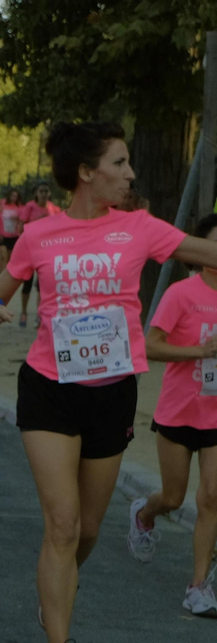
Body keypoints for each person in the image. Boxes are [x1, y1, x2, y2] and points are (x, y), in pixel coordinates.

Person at [0, 121, 217, 643]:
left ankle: (54, 590)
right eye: (119, 163)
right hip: (49, 387)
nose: (130, 173)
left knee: (85, 529)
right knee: (62, 522)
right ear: (86, 172)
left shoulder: (140, 228)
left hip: (112, 392)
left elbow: (207, 252)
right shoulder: (39, 235)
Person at [130, 212, 217, 617]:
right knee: (173, 496)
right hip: (179, 411)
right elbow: (149, 346)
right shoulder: (182, 294)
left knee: (212, 498)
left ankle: (198, 587)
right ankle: (144, 513)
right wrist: (199, 351)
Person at [17, 181, 62, 326]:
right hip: (31, 249)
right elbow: (21, 227)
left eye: (46, 191)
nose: (43, 194)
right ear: (36, 193)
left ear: (50, 193)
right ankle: (23, 312)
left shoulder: (54, 209)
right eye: (41, 191)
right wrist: (38, 223)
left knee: (43, 284)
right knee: (27, 283)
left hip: (48, 251)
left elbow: (60, 228)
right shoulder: (30, 207)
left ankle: (39, 314)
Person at [0, 186, 23, 275]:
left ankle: (5, 275)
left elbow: (23, 219)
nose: (14, 198)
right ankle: (1, 276)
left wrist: (17, 218)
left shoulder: (19, 207)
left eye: (16, 196)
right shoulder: (1, 203)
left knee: (9, 258)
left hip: (13, 235)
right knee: (3, 256)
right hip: (2, 235)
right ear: (9, 195)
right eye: (12, 196)